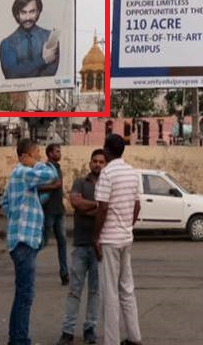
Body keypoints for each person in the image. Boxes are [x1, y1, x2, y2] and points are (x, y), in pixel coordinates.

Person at [2, 138, 59, 345]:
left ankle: (15, 338)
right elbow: (51, 174)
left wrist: (17, 216)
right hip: (24, 242)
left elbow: (4, 202)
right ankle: (20, 340)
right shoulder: (23, 172)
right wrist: (39, 164)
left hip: (22, 240)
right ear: (25, 156)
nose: (39, 159)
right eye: (36, 156)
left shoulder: (17, 176)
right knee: (25, 295)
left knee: (21, 294)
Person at [94, 134, 143, 345]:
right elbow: (137, 205)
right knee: (127, 288)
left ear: (107, 150)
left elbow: (102, 208)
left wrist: (96, 236)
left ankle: (111, 341)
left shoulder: (107, 174)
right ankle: (134, 337)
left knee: (110, 293)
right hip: (126, 238)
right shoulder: (133, 173)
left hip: (110, 240)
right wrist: (127, 226)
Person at [56, 148, 107, 345]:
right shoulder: (80, 182)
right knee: (74, 290)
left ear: (105, 164)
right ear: (90, 163)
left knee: (95, 291)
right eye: (95, 161)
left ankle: (90, 329)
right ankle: (67, 331)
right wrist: (98, 206)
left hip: (99, 246)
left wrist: (89, 207)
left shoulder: (107, 183)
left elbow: (107, 211)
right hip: (80, 244)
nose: (97, 164)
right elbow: (75, 202)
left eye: (101, 162)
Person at [0, 0, 60, 79]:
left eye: (32, 12)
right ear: (17, 15)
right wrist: (42, 60)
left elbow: (49, 75)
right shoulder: (7, 43)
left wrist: (23, 71)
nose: (28, 17)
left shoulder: (50, 37)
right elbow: (11, 74)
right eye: (23, 12)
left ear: (38, 12)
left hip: (42, 92)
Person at [39, 143, 69, 285]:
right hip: (48, 210)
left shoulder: (58, 168)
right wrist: (53, 186)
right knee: (43, 241)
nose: (59, 153)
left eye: (59, 151)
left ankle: (64, 273)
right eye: (57, 151)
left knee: (62, 241)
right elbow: (37, 187)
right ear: (50, 154)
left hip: (59, 210)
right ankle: (26, 264)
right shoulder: (44, 168)